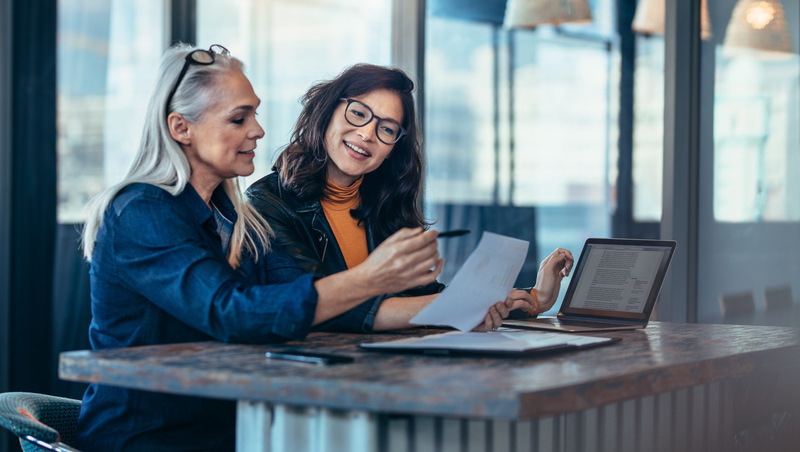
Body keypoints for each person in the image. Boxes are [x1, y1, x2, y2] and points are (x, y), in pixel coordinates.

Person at [76, 44, 515, 452]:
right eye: (238, 119)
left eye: (255, 116)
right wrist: (371, 278)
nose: (258, 130)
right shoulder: (140, 211)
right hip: (148, 438)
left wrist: (460, 308)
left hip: (232, 428)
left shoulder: (235, 219)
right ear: (181, 128)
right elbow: (232, 312)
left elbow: (309, 297)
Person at [246, 63, 575, 331]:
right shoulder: (266, 204)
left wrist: (534, 299)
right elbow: (320, 306)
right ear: (327, 112)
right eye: (358, 113)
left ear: (393, 149)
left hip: (387, 372)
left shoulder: (384, 205)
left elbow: (422, 298)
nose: (367, 134)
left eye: (387, 129)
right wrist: (462, 306)